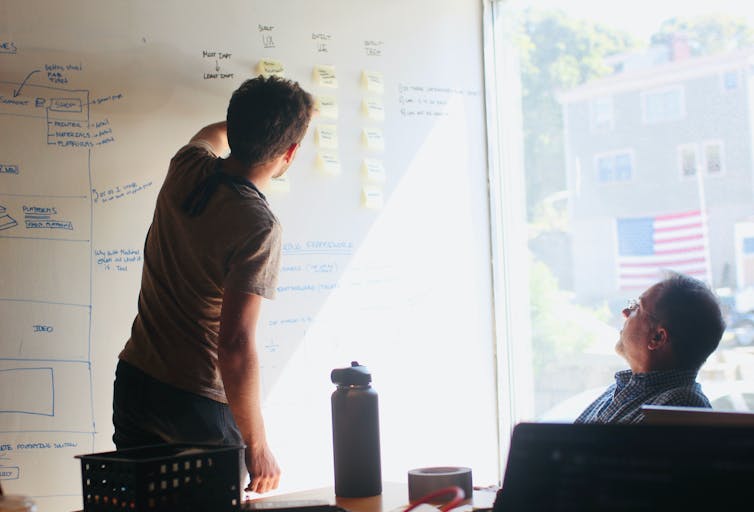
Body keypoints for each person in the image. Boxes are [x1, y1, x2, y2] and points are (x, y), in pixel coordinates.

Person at [112, 75, 314, 494]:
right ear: (290, 154)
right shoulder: (258, 227)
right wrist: (257, 445)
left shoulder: (187, 166)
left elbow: (211, 134)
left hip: (136, 382)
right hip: (196, 404)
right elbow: (236, 345)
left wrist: (243, 125)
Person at [575, 272, 726, 424]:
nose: (625, 312)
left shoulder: (680, 404)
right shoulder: (620, 391)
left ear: (657, 338)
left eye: (637, 308)